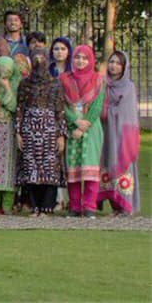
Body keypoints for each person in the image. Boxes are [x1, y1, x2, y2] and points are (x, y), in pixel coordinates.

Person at [16, 54, 66, 216]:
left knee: (49, 169)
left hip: (50, 130)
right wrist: (18, 132)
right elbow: (20, 109)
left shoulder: (55, 84)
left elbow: (60, 111)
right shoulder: (24, 84)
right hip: (29, 130)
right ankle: (35, 206)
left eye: (41, 58)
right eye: (35, 59)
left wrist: (61, 134)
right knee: (31, 168)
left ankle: (47, 207)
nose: (39, 62)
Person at [60, 45, 104, 217]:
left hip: (92, 130)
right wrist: (75, 121)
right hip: (72, 127)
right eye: (78, 57)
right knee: (73, 169)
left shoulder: (98, 79)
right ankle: (75, 207)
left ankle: (90, 207)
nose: (81, 61)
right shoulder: (64, 79)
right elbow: (63, 104)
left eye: (85, 58)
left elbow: (98, 105)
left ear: (91, 60)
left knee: (90, 170)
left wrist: (84, 124)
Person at [100, 50, 140, 215]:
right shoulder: (104, 84)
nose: (113, 66)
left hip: (123, 136)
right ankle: (115, 206)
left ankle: (125, 206)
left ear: (124, 67)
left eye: (118, 63)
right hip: (106, 134)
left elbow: (126, 113)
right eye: (111, 62)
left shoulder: (128, 87)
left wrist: (105, 109)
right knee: (107, 167)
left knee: (122, 168)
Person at [0, 56, 23, 213]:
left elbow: (14, 106)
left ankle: (8, 203)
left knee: (9, 165)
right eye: (0, 69)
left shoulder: (16, 84)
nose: (3, 73)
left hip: (9, 129)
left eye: (7, 70)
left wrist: (7, 88)